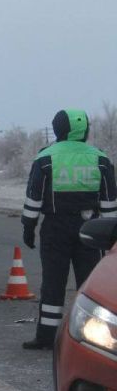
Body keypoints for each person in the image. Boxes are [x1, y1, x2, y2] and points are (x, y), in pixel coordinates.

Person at [21, 109, 117, 350]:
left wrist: (28, 226)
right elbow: (109, 201)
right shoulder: (101, 158)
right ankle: (92, 339)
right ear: (84, 130)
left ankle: (46, 337)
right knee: (89, 284)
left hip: (55, 228)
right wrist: (111, 235)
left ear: (58, 129)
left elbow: (34, 197)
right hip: (91, 230)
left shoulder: (45, 157)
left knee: (53, 282)